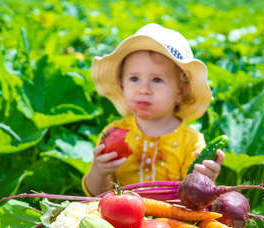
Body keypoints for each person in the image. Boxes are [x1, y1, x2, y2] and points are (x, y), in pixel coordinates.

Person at [82, 23, 225, 196]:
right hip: (119, 218)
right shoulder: (114, 132)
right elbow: (96, 195)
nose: (144, 89)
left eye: (157, 80)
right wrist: (99, 171)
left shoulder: (191, 143)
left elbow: (196, 197)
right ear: (122, 85)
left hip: (172, 220)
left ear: (180, 91)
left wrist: (205, 178)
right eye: (134, 78)